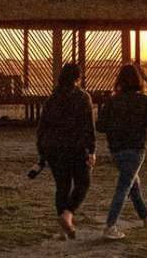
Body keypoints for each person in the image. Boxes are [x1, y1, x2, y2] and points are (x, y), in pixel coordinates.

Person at [97, 64, 147, 240]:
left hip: (116, 150)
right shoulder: (142, 100)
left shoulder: (112, 101)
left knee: (133, 183)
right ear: (138, 80)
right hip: (135, 150)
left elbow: (101, 127)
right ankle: (110, 226)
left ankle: (146, 217)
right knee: (124, 186)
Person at [35, 63, 96, 240]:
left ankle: (63, 230)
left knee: (62, 186)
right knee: (83, 183)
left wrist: (42, 150)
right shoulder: (83, 97)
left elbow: (42, 126)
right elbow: (88, 126)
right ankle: (67, 215)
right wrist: (92, 150)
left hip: (53, 149)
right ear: (78, 78)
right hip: (75, 148)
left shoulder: (52, 98)